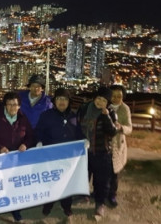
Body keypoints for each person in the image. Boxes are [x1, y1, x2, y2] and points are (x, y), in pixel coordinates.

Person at [0, 92, 35, 223]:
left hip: (17, 160)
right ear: (5, 106)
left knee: (13, 186)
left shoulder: (23, 120)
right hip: (0, 159)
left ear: (19, 106)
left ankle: (15, 211)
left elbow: (31, 137)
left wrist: (25, 144)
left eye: (15, 104)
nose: (12, 107)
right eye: (9, 104)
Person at [35, 88, 83, 221]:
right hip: (50, 156)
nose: (62, 102)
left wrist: (84, 141)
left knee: (67, 182)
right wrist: (39, 141)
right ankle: (48, 204)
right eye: (59, 99)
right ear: (54, 101)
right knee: (50, 182)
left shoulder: (74, 116)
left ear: (69, 102)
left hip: (68, 158)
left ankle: (66, 205)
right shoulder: (46, 115)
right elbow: (38, 130)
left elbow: (79, 133)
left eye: (65, 99)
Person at [78, 87, 117, 218]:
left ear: (108, 103)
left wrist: (106, 116)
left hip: (102, 152)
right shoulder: (84, 109)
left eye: (104, 100)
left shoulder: (110, 113)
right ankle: (84, 195)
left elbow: (112, 132)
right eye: (98, 98)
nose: (100, 102)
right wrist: (81, 139)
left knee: (101, 181)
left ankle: (100, 203)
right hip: (85, 152)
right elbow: (78, 126)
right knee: (83, 176)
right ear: (94, 97)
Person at [108, 85, 133, 207]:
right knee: (103, 171)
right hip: (104, 143)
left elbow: (129, 128)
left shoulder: (125, 109)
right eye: (113, 95)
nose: (116, 98)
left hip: (118, 144)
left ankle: (112, 194)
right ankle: (100, 192)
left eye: (119, 96)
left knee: (114, 173)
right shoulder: (105, 106)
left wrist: (121, 127)